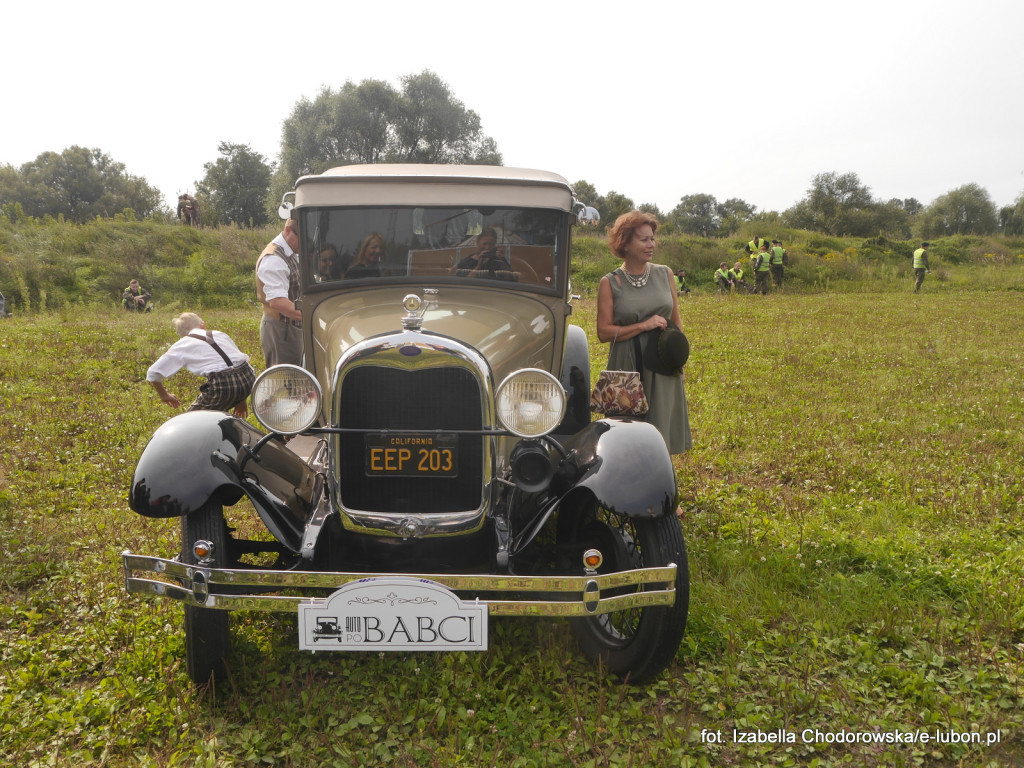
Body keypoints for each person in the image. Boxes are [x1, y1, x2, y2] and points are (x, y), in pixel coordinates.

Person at [596, 211, 691, 454]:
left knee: (661, 433)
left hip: (662, 362)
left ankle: (660, 480)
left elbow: (676, 321)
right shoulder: (610, 282)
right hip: (628, 365)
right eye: (643, 240)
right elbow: (604, 332)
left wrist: (678, 361)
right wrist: (642, 325)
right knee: (627, 434)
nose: (651, 245)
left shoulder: (665, 274)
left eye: (652, 239)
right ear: (624, 243)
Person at [146, 313, 255, 417]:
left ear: (182, 335)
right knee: (216, 416)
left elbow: (153, 372)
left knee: (192, 421)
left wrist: (164, 395)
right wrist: (241, 398)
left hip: (224, 384)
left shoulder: (183, 343)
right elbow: (237, 361)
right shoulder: (219, 334)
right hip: (249, 377)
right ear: (203, 325)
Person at [256, 217, 303, 367]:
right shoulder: (273, 259)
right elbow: (278, 302)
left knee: (296, 374)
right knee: (284, 379)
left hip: (291, 326)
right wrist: (312, 317)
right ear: (288, 230)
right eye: (302, 238)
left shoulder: (291, 250)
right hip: (281, 329)